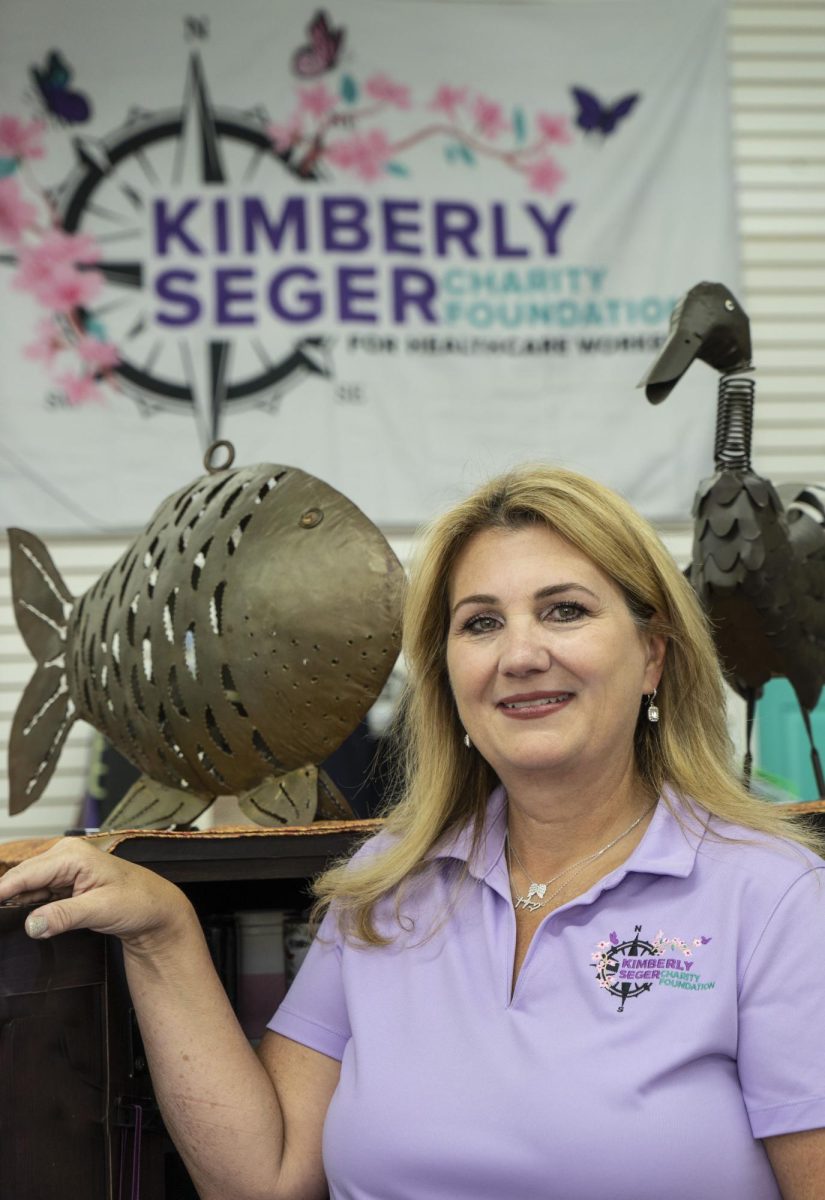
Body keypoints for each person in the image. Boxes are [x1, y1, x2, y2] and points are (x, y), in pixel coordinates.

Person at [2, 464, 825, 1200]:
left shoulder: (774, 899)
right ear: (448, 677)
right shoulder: (386, 883)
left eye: (564, 611)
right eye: (480, 623)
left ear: (651, 656)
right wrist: (163, 932)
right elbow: (269, 1175)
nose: (521, 653)